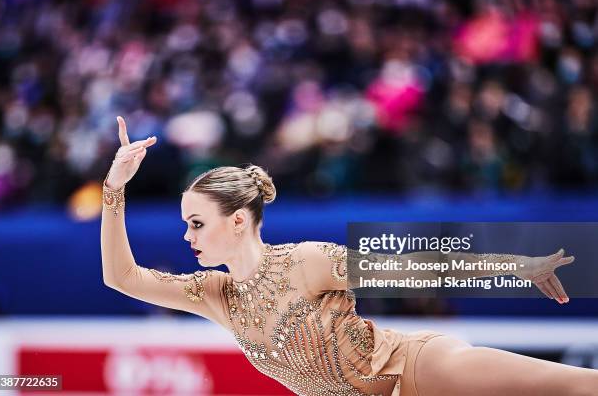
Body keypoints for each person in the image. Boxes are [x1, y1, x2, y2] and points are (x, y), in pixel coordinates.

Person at [101, 116, 598, 396]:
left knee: (576, 389)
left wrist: (520, 267)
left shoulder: (306, 262)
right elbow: (121, 277)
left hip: (418, 372)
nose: (187, 237)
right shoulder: (215, 295)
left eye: (196, 223)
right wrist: (113, 189)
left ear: (237, 221)